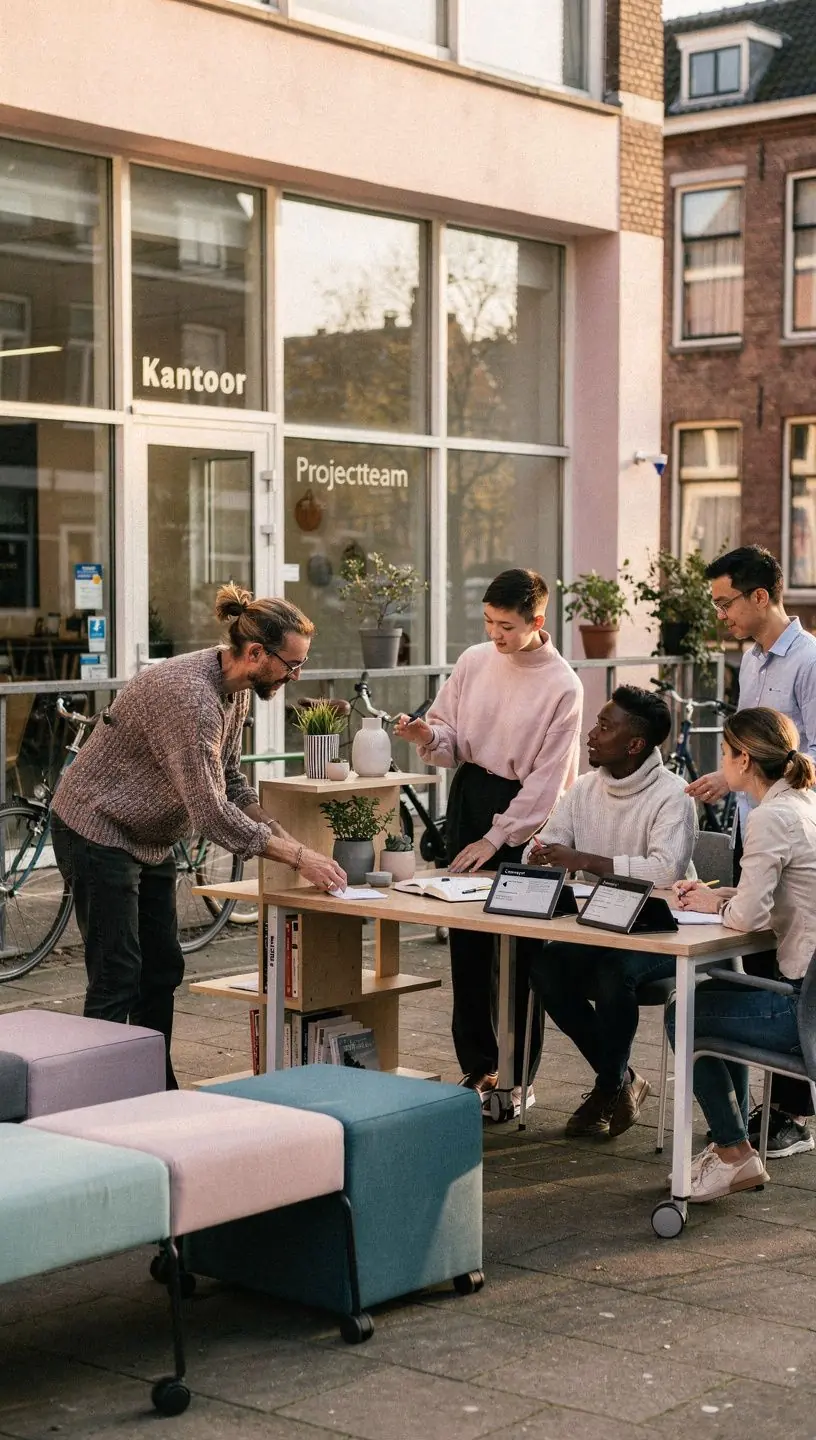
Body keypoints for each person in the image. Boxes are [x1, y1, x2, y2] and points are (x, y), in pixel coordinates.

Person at [51, 583, 347, 1088]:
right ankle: (95, 1100)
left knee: (162, 967)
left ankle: (154, 1087)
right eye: (292, 664)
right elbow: (211, 814)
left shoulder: (236, 692)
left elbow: (229, 780)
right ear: (256, 653)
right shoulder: (192, 699)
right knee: (117, 972)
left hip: (148, 836)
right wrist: (298, 858)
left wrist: (284, 836)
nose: (296, 676)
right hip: (95, 828)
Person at [395, 568, 583, 1117]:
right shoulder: (475, 661)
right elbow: (449, 736)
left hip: (525, 814)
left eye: (506, 626)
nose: (494, 635)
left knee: (521, 952)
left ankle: (519, 1076)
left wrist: (497, 836)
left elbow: (549, 783)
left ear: (537, 621)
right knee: (467, 943)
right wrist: (426, 735)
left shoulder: (563, 685)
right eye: (488, 622)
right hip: (471, 795)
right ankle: (479, 1066)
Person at [687, 545, 816, 1158]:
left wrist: (765, 781)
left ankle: (793, 1113)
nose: (721, 615)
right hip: (755, 824)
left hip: (789, 826)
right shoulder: (751, 661)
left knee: (788, 967)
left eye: (726, 602)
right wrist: (729, 779)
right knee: (762, 964)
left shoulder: (809, 659)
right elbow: (751, 747)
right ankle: (763, 1112)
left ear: (760, 596)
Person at [524, 686, 697, 1139]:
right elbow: (548, 842)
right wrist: (541, 856)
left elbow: (665, 870)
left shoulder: (674, 795)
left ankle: (607, 1088)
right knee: (545, 967)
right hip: (598, 925)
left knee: (612, 973)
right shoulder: (584, 787)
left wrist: (584, 860)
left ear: (634, 744)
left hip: (664, 931)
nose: (592, 734)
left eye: (604, 726)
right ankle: (624, 1080)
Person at [670, 707, 816, 1202]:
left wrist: (715, 904)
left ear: (745, 759)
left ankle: (733, 1153)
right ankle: (732, 1147)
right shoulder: (804, 803)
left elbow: (750, 917)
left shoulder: (770, 818)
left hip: (803, 1013)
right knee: (718, 996)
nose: (721, 761)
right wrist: (723, 895)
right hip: (807, 998)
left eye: (724, 752)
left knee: (683, 1013)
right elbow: (778, 894)